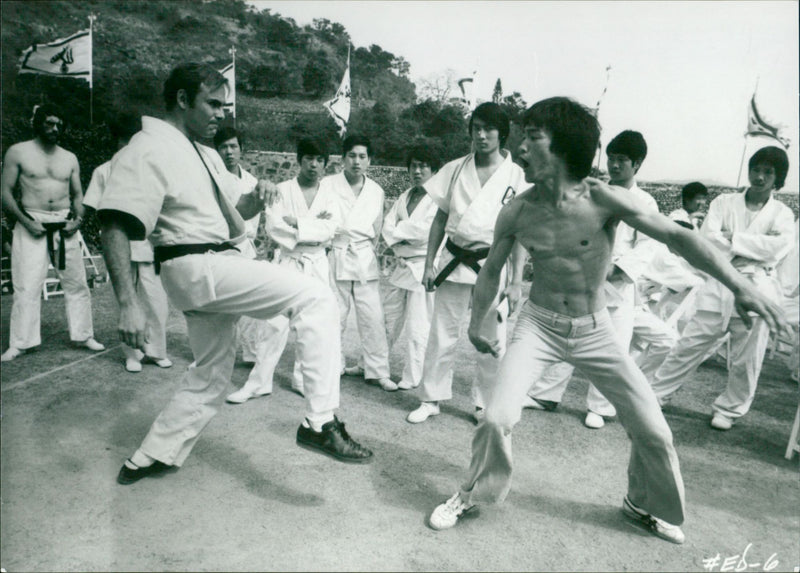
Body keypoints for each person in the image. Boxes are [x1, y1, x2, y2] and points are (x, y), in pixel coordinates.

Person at [427, 97, 789, 543]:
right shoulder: (518, 211)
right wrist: (477, 321)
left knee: (653, 430)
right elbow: (490, 271)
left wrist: (743, 287)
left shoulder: (603, 199)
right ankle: (471, 493)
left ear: (562, 148)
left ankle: (642, 504)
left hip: (595, 329)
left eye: (532, 138)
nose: (519, 149)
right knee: (497, 417)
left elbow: (679, 238)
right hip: (537, 326)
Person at [96, 63, 372, 485]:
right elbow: (114, 224)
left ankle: (151, 455)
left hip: (210, 264)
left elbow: (234, 212)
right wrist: (128, 304)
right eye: (212, 104)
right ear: (183, 100)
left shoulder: (201, 151)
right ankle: (320, 422)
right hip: (196, 265)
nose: (221, 114)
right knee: (316, 298)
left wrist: (257, 197)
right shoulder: (147, 147)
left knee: (210, 373)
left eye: (224, 105)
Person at [524, 130, 677, 428]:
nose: (615, 166)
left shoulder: (645, 202)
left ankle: (600, 406)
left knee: (613, 348)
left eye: (622, 160)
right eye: (611, 159)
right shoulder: (591, 192)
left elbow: (646, 246)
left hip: (618, 288)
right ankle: (545, 395)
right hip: (582, 280)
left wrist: (614, 269)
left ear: (638, 164)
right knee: (566, 336)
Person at [650, 146, 795, 430]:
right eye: (756, 169)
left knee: (747, 359)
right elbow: (709, 241)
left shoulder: (783, 213)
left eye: (768, 172)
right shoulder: (724, 202)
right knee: (689, 345)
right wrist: (751, 246)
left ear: (778, 178)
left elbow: (779, 248)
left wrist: (735, 239)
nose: (760, 176)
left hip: (758, 287)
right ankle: (656, 394)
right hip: (719, 284)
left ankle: (729, 410)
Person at [406, 103, 527, 425]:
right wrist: (429, 263)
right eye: (476, 128)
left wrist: (516, 281)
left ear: (502, 134)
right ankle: (430, 397)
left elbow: (520, 233)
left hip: (493, 262)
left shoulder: (517, 176)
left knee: (491, 337)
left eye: (489, 129)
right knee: (442, 333)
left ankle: (484, 403)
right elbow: (440, 219)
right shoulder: (456, 168)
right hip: (454, 259)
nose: (482, 135)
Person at [227, 138, 340, 402]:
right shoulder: (281, 189)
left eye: (320, 160)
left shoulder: (330, 195)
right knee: (273, 324)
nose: (314, 165)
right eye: (309, 158)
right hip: (288, 260)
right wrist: (310, 227)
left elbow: (331, 229)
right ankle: (259, 382)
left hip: (316, 263)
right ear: (300, 160)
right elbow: (275, 227)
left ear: (325, 164)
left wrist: (298, 222)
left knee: (312, 325)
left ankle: (303, 380)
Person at [1, 104, 105, 362]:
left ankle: (83, 335)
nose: (54, 129)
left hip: (64, 225)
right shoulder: (18, 152)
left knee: (77, 283)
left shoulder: (69, 157)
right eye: (49, 123)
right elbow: (4, 192)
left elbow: (78, 194)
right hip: (31, 222)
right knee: (26, 284)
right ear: (38, 123)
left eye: (58, 124)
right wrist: (26, 222)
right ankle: (21, 342)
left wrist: (78, 220)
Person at [83, 113, 172, 373]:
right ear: (117, 141)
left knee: (156, 301)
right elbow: (95, 207)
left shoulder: (152, 168)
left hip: (149, 247)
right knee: (125, 301)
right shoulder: (103, 170)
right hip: (120, 248)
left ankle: (156, 351)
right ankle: (132, 354)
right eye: (124, 141)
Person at [328, 134, 396, 392]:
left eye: (362, 156)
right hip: (337, 253)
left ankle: (377, 370)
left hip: (364, 257)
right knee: (335, 314)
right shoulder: (328, 185)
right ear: (343, 158)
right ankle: (333, 365)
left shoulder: (376, 191)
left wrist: (366, 250)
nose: (357, 161)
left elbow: (377, 230)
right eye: (352, 155)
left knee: (373, 317)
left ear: (370, 160)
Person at [382, 145, 442, 390]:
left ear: (433, 170)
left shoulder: (438, 198)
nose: (417, 171)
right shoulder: (405, 195)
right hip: (402, 265)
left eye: (423, 166)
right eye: (414, 166)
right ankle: (374, 365)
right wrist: (399, 234)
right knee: (388, 319)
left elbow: (424, 232)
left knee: (418, 326)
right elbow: (387, 225)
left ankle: (412, 375)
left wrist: (399, 232)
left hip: (423, 266)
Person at [213, 127, 264, 367]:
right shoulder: (213, 180)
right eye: (223, 147)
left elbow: (254, 220)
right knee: (220, 305)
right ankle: (217, 352)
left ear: (241, 149)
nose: (229, 152)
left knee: (251, 305)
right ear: (216, 151)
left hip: (246, 247)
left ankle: (252, 353)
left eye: (233, 146)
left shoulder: (253, 182)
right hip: (220, 247)